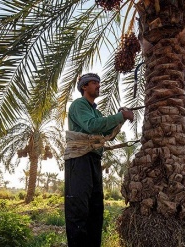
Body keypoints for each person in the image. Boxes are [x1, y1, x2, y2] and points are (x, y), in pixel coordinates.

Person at [64, 73, 134, 247]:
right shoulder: (79, 105)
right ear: (84, 87)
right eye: (93, 83)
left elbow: (104, 133)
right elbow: (92, 126)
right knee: (78, 209)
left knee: (95, 210)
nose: (97, 85)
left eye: (98, 83)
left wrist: (120, 118)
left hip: (94, 160)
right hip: (79, 160)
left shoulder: (96, 111)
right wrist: (120, 116)